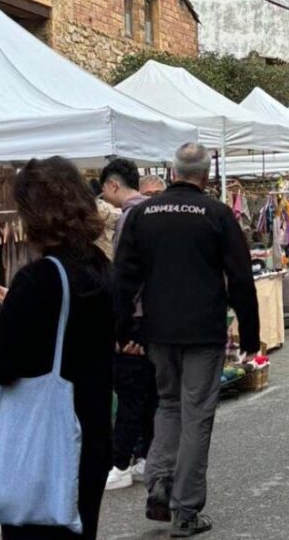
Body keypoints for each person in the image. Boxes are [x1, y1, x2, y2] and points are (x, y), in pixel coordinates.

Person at [114, 143, 260, 537]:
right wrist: (251, 334)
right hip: (203, 329)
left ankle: (160, 481)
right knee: (197, 413)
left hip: (158, 330)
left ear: (172, 170)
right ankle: (186, 508)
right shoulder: (217, 214)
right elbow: (241, 278)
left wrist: (124, 329)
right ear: (207, 176)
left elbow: (124, 276)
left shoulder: (143, 213)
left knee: (168, 405)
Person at [0, 156, 114, 539]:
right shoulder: (98, 265)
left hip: (43, 439)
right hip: (89, 429)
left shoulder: (40, 277)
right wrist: (14, 303)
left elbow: (1, 361)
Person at [99, 159, 158, 492]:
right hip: (156, 317)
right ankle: (147, 456)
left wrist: (121, 327)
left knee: (131, 392)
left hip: (133, 316)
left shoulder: (128, 218)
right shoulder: (156, 213)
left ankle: (120, 462)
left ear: (113, 185)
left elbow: (123, 275)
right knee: (149, 393)